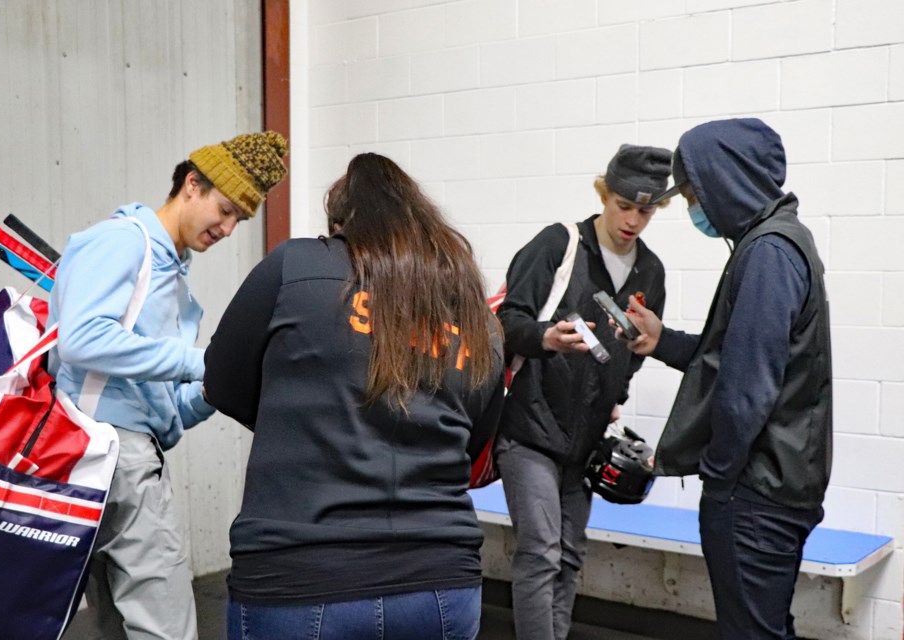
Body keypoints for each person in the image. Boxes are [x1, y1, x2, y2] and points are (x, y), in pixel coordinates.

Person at [203, 152, 505, 640]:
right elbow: (474, 442)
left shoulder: (296, 265)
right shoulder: (473, 312)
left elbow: (222, 382)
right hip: (441, 584)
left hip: (303, 572)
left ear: (341, 225)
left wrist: (306, 413)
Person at [52, 131, 289, 640]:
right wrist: (197, 361)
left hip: (121, 454)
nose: (227, 228)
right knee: (166, 626)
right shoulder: (124, 240)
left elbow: (168, 412)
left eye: (239, 220)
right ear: (191, 184)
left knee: (116, 622)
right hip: (113, 453)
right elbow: (80, 338)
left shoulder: (173, 274)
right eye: (224, 210)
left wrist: (218, 383)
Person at [623, 118, 832, 640]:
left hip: (755, 494)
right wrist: (662, 340)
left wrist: (718, 477)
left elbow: (747, 389)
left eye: (695, 193)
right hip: (773, 486)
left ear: (725, 182)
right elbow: (731, 357)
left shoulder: (768, 253)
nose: (696, 208)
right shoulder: (776, 243)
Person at [494, 144, 672, 640]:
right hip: (529, 429)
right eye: (624, 205)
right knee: (542, 551)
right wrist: (545, 337)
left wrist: (619, 391)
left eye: (646, 210)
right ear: (604, 194)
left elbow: (638, 347)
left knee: (570, 556)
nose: (634, 220)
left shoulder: (650, 272)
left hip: (585, 439)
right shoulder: (559, 244)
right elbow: (507, 321)